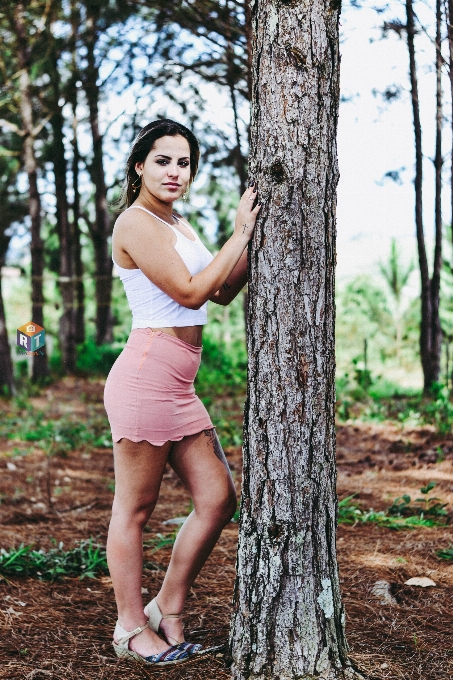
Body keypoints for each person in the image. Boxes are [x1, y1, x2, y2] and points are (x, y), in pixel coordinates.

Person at [104, 119, 260, 667]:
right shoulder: (137, 223)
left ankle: (167, 606)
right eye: (163, 160)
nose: (175, 171)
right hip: (146, 376)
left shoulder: (179, 225)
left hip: (179, 382)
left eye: (184, 162)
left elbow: (219, 291)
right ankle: (129, 627)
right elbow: (191, 294)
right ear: (139, 166)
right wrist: (239, 233)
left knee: (218, 499)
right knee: (136, 508)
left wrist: (255, 239)